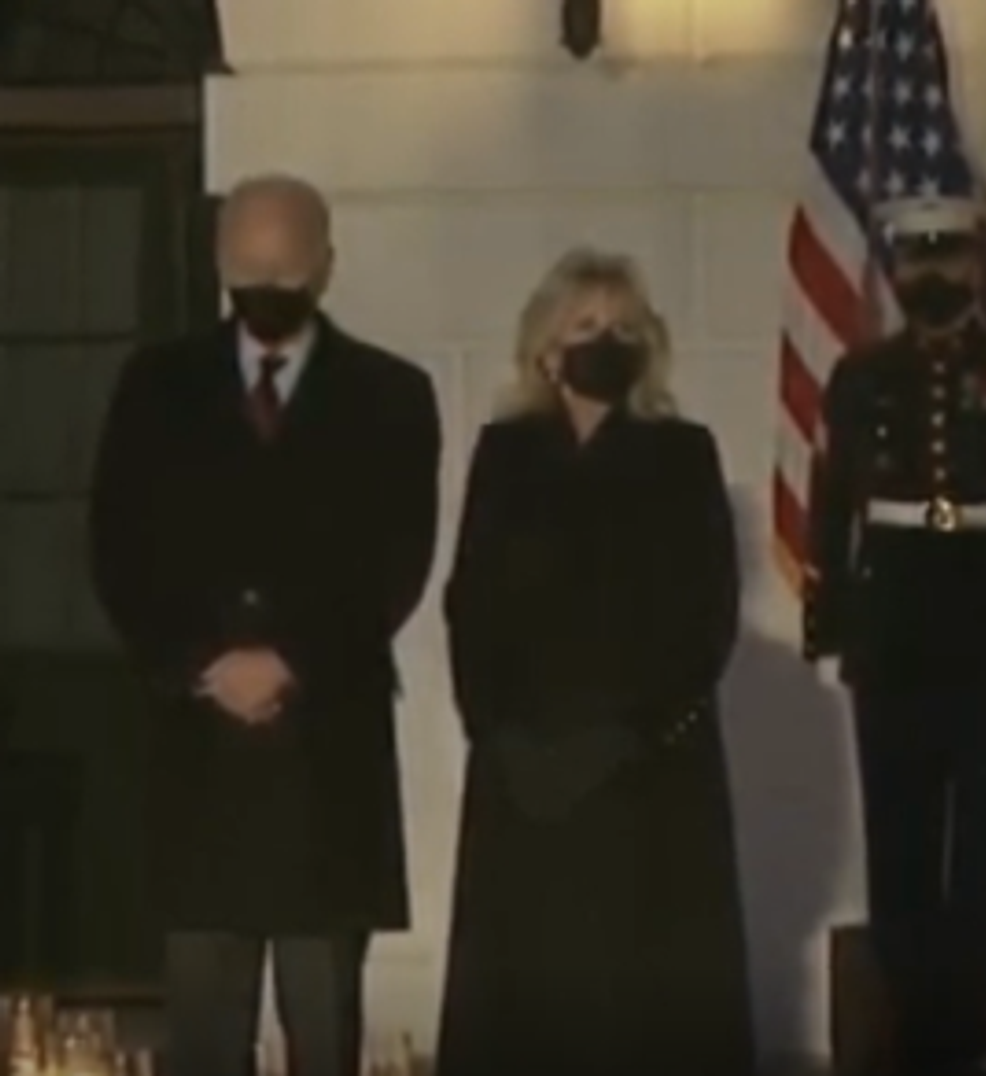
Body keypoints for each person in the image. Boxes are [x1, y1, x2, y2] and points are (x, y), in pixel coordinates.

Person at [87, 173, 441, 1076]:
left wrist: (289, 661)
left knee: (324, 1032)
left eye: (285, 272)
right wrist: (202, 662)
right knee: (204, 1035)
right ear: (219, 263)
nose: (267, 290)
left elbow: (394, 561)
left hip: (325, 754)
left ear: (325, 265)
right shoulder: (156, 387)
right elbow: (118, 548)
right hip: (198, 754)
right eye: (249, 272)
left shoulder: (391, 394)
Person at [434, 248, 750, 1075]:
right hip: (523, 771)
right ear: (546, 349)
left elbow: (704, 614)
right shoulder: (505, 453)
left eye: (623, 328)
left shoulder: (682, 454)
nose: (605, 341)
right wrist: (498, 731)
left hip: (645, 770)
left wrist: (621, 736)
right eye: (585, 326)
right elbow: (472, 602)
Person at [803, 195, 986, 1075]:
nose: (934, 274)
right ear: (894, 268)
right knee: (900, 841)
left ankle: (967, 1042)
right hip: (895, 610)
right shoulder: (860, 378)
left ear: (977, 265)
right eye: (917, 257)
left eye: (950, 256)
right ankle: (912, 1037)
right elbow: (831, 506)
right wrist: (827, 625)